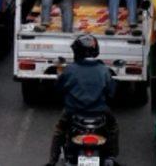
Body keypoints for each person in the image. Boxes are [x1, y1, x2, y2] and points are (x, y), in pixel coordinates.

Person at [47, 35, 117, 166]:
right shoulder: (104, 70)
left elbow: (58, 88)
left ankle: (52, 161)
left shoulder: (70, 70)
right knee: (113, 128)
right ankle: (111, 157)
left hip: (73, 112)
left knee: (59, 130)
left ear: (76, 51)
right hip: (100, 112)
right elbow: (111, 92)